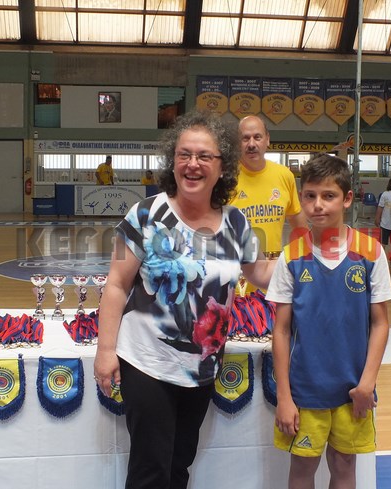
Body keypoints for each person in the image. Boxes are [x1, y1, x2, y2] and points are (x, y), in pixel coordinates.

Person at [93, 110, 275, 489]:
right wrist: (106, 351)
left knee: (179, 467)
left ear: (222, 167)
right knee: (151, 471)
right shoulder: (145, 214)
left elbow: (260, 273)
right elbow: (116, 285)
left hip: (201, 369)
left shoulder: (237, 223)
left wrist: (312, 259)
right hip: (147, 362)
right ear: (172, 161)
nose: (192, 164)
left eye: (204, 156)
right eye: (184, 154)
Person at [267, 154, 391, 489]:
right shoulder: (291, 256)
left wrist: (367, 383)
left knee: (344, 465)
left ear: (347, 199)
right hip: (305, 390)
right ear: (301, 198)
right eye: (310, 196)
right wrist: (284, 397)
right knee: (302, 467)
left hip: (354, 388)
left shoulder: (371, 252)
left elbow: (380, 324)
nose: (318, 204)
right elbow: (281, 330)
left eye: (328, 195)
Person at [229, 115, 307, 293]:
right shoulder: (225, 178)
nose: (251, 144)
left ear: (267, 140)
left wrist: (304, 259)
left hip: (273, 279)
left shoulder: (284, 175)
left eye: (257, 137)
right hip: (236, 281)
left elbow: (298, 222)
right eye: (245, 138)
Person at [374, 175, 391, 267]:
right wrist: (377, 218)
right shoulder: (385, 194)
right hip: (385, 224)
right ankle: (381, 259)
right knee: (383, 243)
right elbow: (380, 207)